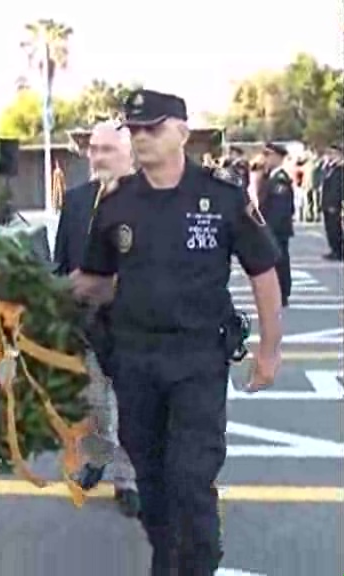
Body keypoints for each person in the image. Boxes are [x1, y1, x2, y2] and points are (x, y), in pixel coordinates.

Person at [71, 89, 283, 575]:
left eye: (153, 128)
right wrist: (36, 293)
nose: (141, 137)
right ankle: (167, 561)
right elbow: (98, 282)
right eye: (135, 129)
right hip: (135, 362)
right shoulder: (117, 202)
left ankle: (199, 565)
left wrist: (269, 351)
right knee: (151, 478)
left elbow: (263, 270)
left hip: (197, 361)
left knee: (191, 478)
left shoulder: (222, 195)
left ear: (182, 133)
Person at [53, 121, 140, 518]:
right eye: (94, 149)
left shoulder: (149, 200)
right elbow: (61, 263)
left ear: (129, 154)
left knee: (132, 407)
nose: (98, 156)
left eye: (108, 149)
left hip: (133, 326)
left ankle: (128, 479)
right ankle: (100, 458)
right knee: (94, 406)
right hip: (86, 327)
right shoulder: (74, 200)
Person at [258, 142, 295, 307]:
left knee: (280, 262)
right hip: (271, 228)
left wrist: (268, 229)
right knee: (275, 261)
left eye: (269, 155)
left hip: (277, 230)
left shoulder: (280, 180)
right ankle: (278, 293)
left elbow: (279, 210)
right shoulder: (270, 176)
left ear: (278, 158)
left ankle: (283, 293)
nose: (265, 159)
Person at [321, 143, 343, 261]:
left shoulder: (340, 169)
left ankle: (338, 251)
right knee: (329, 228)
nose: (330, 156)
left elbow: (338, 188)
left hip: (334, 203)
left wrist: (334, 203)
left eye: (333, 154)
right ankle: (333, 249)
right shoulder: (330, 168)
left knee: (335, 228)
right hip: (327, 202)